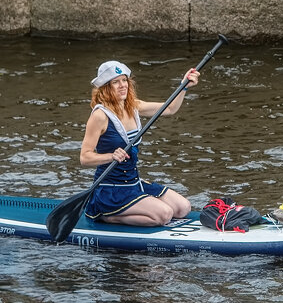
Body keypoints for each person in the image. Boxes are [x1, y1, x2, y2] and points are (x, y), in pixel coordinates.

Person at [79, 60, 200, 226]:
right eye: (115, 82)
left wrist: (184, 86)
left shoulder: (133, 106)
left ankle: (134, 207)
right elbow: (85, 158)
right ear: (106, 87)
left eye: (124, 80)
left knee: (183, 208)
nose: (122, 85)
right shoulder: (100, 116)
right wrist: (110, 156)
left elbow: (170, 108)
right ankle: (105, 215)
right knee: (164, 215)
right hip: (111, 189)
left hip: (134, 183)